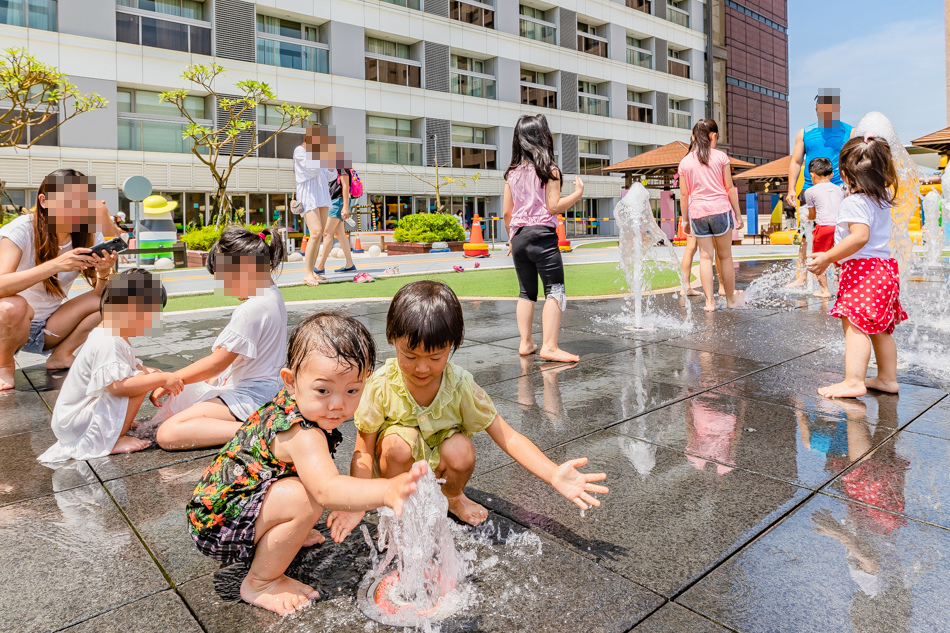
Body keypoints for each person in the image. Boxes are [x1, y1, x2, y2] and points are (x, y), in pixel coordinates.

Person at [187, 311, 427, 615]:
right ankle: (261, 582)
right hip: (217, 524)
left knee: (307, 493)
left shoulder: (300, 407)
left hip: (224, 507)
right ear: (290, 381)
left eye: (352, 390)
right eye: (323, 390)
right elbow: (327, 489)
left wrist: (348, 505)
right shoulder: (301, 432)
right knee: (308, 499)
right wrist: (386, 490)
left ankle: (282, 532)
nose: (338, 403)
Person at [350, 280, 609, 526]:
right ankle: (398, 501)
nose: (421, 367)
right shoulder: (381, 384)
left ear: (451, 346)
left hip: (440, 461)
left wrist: (553, 474)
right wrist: (356, 501)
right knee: (396, 443)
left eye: (435, 357)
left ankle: (452, 497)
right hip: (396, 465)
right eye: (409, 355)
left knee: (461, 449)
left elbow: (509, 437)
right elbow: (363, 449)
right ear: (392, 340)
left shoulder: (459, 386)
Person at [152, 226, 287, 449]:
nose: (222, 285)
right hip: (270, 389)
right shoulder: (272, 294)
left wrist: (173, 378)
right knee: (189, 400)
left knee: (168, 433)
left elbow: (216, 363)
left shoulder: (252, 308)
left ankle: (260, 429)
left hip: (253, 397)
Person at [38, 270, 183, 461]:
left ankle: (116, 426)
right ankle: (114, 438)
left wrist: (148, 371)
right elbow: (117, 388)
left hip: (72, 421)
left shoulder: (110, 334)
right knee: (137, 382)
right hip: (76, 425)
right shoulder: (109, 341)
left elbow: (126, 367)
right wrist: (161, 378)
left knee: (143, 375)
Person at [807, 135, 906, 398]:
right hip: (884, 269)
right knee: (881, 329)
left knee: (855, 326)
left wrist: (827, 256)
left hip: (864, 272)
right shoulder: (881, 198)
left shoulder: (853, 202)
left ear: (844, 173)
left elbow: (859, 236)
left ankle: (853, 381)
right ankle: (886, 378)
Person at [0, 169, 118, 390]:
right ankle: (4, 366)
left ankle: (61, 355)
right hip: (9, 327)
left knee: (118, 298)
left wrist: (104, 272)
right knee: (11, 306)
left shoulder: (89, 232)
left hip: (50, 328)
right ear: (44, 201)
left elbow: (100, 295)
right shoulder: (21, 230)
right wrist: (55, 265)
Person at [503, 114, 583, 363]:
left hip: (519, 238)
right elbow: (554, 206)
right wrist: (578, 193)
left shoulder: (512, 173)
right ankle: (549, 346)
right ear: (543, 137)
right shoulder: (550, 170)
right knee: (555, 290)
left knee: (526, 291)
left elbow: (507, 212)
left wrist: (511, 237)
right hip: (542, 236)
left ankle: (526, 342)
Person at [787, 90, 854, 286]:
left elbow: (852, 162)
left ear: (838, 109)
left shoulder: (849, 132)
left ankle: (841, 275)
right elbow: (796, 161)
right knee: (806, 236)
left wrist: (851, 186)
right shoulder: (805, 133)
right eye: (823, 109)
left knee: (842, 234)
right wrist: (791, 188)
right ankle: (801, 275)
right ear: (817, 110)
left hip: (840, 191)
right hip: (810, 192)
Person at [677, 119, 745, 312]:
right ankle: (730, 300)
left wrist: (686, 219)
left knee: (705, 258)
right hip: (720, 210)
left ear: (693, 138)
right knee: (725, 257)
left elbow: (684, 194)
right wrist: (738, 215)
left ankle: (709, 303)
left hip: (697, 213)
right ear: (713, 136)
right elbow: (729, 188)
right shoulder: (721, 157)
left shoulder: (685, 162)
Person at [294, 124, 337, 287]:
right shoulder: (300, 151)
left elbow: (329, 175)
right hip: (308, 195)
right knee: (316, 232)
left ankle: (312, 271)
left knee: (321, 234)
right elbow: (311, 169)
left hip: (322, 195)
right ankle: (307, 273)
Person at [803, 157, 846, 298]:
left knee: (818, 259)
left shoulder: (810, 191)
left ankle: (824, 290)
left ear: (812, 174)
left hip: (824, 227)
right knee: (839, 258)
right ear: (832, 174)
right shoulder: (840, 189)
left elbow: (812, 214)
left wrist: (806, 217)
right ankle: (843, 289)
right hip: (841, 227)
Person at [314, 161, 356, 276]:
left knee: (327, 233)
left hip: (338, 201)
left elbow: (345, 185)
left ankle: (321, 265)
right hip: (334, 201)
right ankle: (349, 263)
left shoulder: (341, 163)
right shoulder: (332, 165)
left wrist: (346, 207)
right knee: (339, 233)